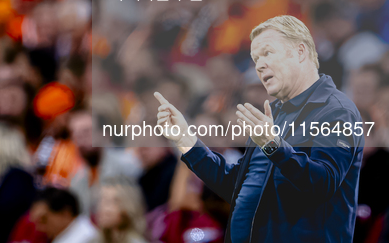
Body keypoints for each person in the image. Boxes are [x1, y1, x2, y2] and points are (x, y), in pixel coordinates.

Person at [155, 15, 364, 242]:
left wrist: (274, 146)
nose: (260, 65)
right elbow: (237, 187)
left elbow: (324, 183)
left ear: (300, 52)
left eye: (267, 53)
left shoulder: (336, 111)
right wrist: (187, 140)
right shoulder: (272, 114)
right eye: (256, 59)